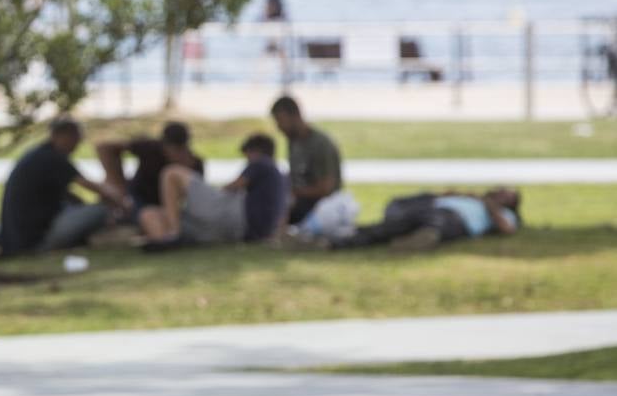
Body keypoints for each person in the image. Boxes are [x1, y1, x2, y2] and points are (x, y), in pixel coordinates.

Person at [0, 118, 129, 256]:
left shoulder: (39, 155)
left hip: (18, 232)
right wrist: (121, 202)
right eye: (75, 140)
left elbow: (69, 195)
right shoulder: (52, 158)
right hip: (36, 238)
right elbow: (91, 186)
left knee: (82, 209)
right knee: (100, 211)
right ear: (62, 136)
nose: (76, 146)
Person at [138, 133, 288, 251]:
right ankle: (168, 239)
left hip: (232, 215)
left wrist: (213, 192)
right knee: (148, 214)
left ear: (254, 151)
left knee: (170, 174)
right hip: (240, 232)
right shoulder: (278, 177)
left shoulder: (262, 162)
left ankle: (173, 234)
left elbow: (235, 185)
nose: (247, 160)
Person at [329, 188, 522, 251]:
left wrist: (490, 206)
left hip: (456, 219)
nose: (501, 192)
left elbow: (507, 229)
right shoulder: (472, 197)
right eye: (502, 189)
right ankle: (338, 240)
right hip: (433, 208)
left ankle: (423, 237)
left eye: (508, 195)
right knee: (387, 227)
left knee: (437, 224)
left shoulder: (504, 213)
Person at [95, 121, 205, 221]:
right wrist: (119, 184)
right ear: (164, 145)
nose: (177, 155)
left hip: (164, 207)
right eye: (173, 150)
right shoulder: (150, 148)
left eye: (181, 150)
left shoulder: (194, 164)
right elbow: (104, 148)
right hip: (137, 197)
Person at [270, 95, 343, 226]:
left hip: (319, 205)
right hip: (299, 200)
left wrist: (293, 193)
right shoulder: (294, 142)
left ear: (295, 116)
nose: (279, 127)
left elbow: (326, 188)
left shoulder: (320, 144)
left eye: (280, 121)